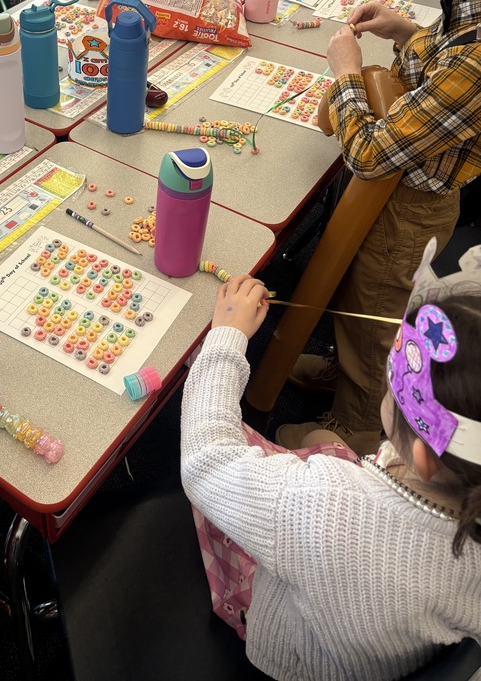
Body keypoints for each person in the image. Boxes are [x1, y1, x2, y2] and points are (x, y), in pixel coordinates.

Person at [181, 244, 481, 681]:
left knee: (224, 476)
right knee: (324, 440)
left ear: (424, 458)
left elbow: (205, 461)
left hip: (296, 655)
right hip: (382, 635)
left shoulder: (322, 503)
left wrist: (227, 337)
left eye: (393, 391)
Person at [281, 0, 481, 453]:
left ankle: (358, 425)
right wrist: (406, 33)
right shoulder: (469, 9)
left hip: (408, 211)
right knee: (352, 294)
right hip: (399, 198)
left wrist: (346, 72)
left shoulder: (479, 62)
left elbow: (368, 153)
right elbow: (438, 68)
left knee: (374, 315)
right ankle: (345, 371)